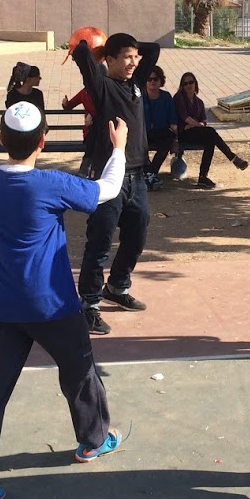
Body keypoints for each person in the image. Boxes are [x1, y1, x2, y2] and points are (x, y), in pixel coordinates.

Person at [0, 102, 127, 499]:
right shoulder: (49, 183)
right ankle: (93, 441)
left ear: (3, 140)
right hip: (51, 304)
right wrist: (120, 148)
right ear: (42, 141)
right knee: (80, 370)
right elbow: (106, 190)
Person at [73, 32, 160, 336]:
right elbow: (82, 56)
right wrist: (92, 43)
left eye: (136, 56)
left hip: (136, 177)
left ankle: (117, 286)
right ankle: (88, 304)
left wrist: (127, 48)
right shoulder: (102, 87)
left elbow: (154, 47)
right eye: (126, 56)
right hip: (108, 177)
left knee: (137, 235)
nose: (134, 62)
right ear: (108, 59)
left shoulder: (135, 84)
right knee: (100, 242)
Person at [173, 71, 249, 189]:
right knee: (211, 133)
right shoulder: (179, 98)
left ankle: (203, 176)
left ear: (195, 84)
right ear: (182, 86)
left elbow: (203, 120)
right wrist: (197, 125)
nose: (188, 85)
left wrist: (197, 125)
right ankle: (233, 158)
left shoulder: (199, 102)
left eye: (191, 82)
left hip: (196, 131)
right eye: (185, 83)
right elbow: (185, 117)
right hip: (184, 132)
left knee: (210, 139)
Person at [142, 65, 179, 190]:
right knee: (139, 142)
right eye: (149, 79)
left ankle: (149, 173)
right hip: (144, 132)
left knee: (168, 138)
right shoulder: (139, 97)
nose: (152, 81)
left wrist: (176, 139)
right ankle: (150, 175)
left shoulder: (166, 97)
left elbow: (173, 119)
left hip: (161, 132)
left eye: (156, 79)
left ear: (160, 81)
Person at [61, 87, 96, 177]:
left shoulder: (105, 89)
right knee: (92, 139)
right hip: (91, 131)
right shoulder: (84, 93)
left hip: (103, 128)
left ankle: (85, 172)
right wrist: (65, 103)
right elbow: (70, 105)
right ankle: (85, 172)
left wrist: (92, 115)